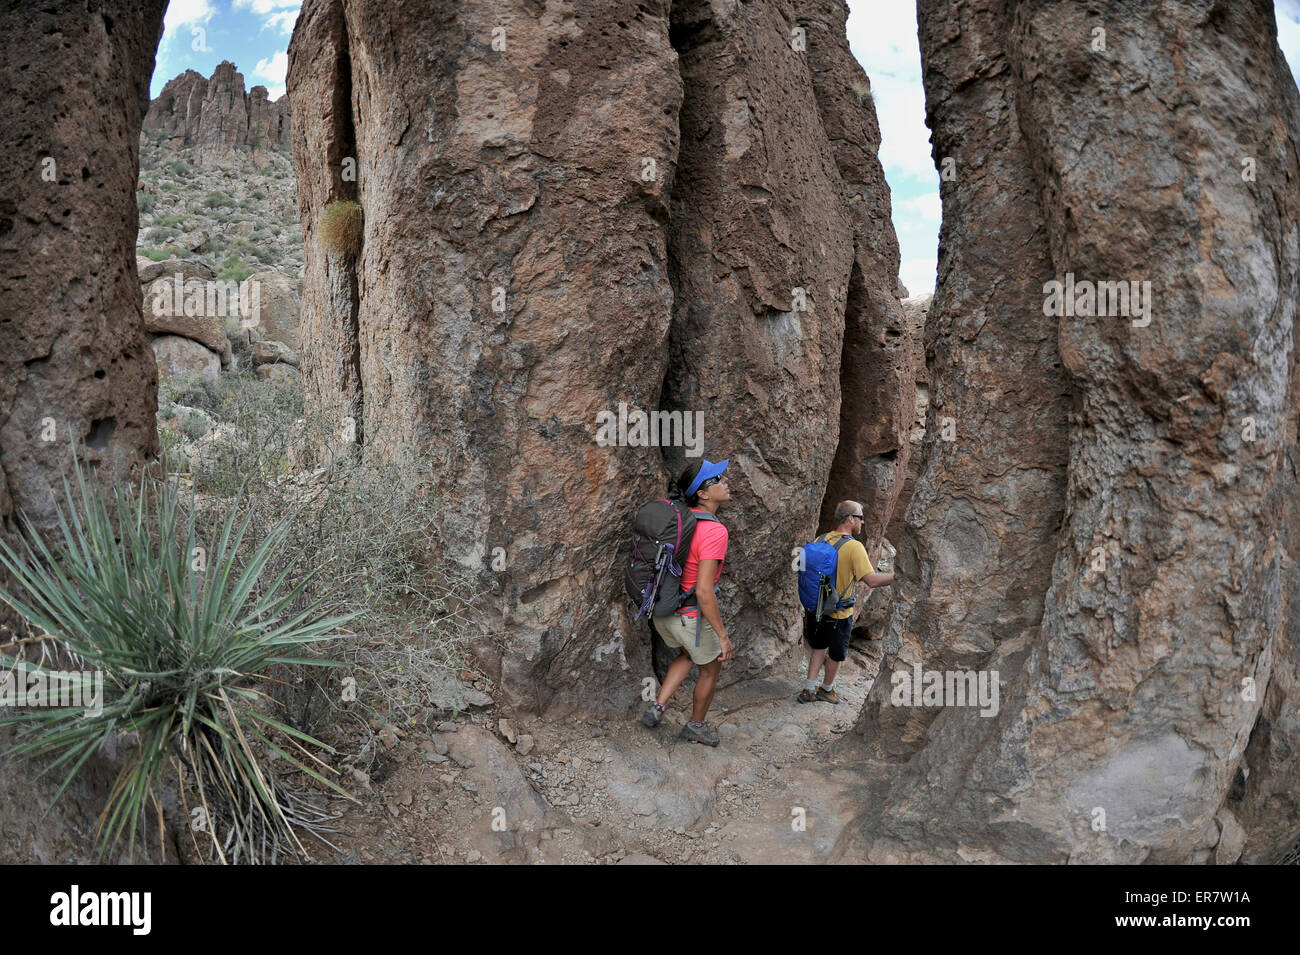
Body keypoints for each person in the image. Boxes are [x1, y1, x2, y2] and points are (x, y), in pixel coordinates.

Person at [640, 458, 733, 746]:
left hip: (662, 611)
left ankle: (657, 707)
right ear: (702, 494)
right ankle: (696, 725)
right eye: (717, 479)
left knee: (687, 655)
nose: (725, 481)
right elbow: (704, 591)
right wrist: (722, 635)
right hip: (690, 615)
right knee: (710, 668)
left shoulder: (680, 520)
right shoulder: (715, 531)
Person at [799, 500, 894, 704]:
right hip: (839, 613)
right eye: (860, 517)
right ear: (850, 519)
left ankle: (808, 689)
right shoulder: (854, 547)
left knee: (818, 647)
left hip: (817, 607)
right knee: (836, 654)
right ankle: (827, 689)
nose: (863, 522)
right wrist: (898, 576)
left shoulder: (821, 538)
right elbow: (871, 580)